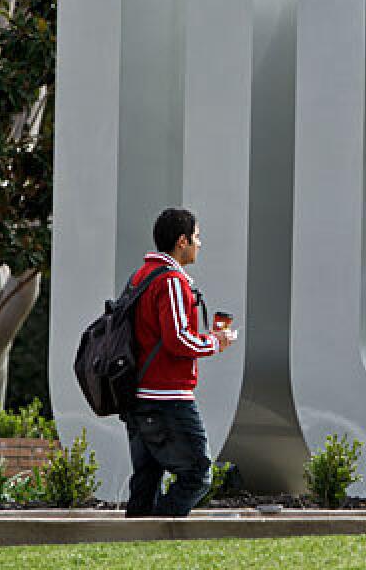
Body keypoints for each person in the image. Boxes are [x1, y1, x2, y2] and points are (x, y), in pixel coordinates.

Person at [122, 207, 235, 517]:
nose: (200, 244)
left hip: (139, 395)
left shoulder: (141, 275)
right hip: (168, 399)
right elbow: (176, 340)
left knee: (146, 481)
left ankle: (133, 545)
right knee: (198, 473)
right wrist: (215, 342)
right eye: (197, 237)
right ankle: (160, 531)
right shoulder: (171, 280)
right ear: (182, 241)